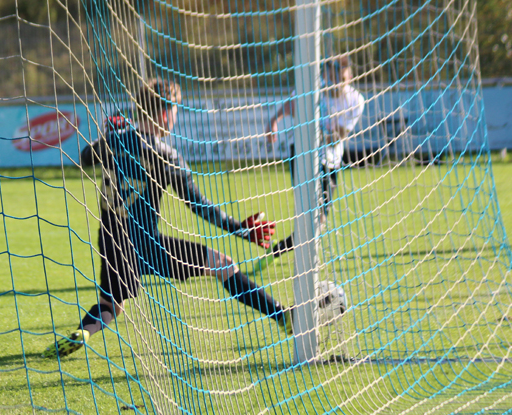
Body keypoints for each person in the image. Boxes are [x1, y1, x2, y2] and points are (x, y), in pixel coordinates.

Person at [44, 78, 290, 358]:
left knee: (111, 304)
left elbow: (86, 158)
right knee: (223, 264)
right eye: (175, 110)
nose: (175, 117)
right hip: (146, 242)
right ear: (164, 112)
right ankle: (282, 316)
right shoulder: (167, 155)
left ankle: (83, 332)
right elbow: (198, 204)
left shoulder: (116, 139)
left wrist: (108, 134)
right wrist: (239, 229)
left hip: (110, 237)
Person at [265, 55, 364, 255]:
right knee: (308, 211)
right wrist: (274, 121)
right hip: (302, 155)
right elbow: (291, 105)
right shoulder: (314, 88)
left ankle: (280, 250)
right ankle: (302, 258)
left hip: (330, 162)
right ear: (326, 73)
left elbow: (337, 139)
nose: (335, 78)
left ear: (350, 76)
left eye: (341, 74)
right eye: (332, 72)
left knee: (319, 220)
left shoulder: (356, 101)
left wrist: (324, 131)